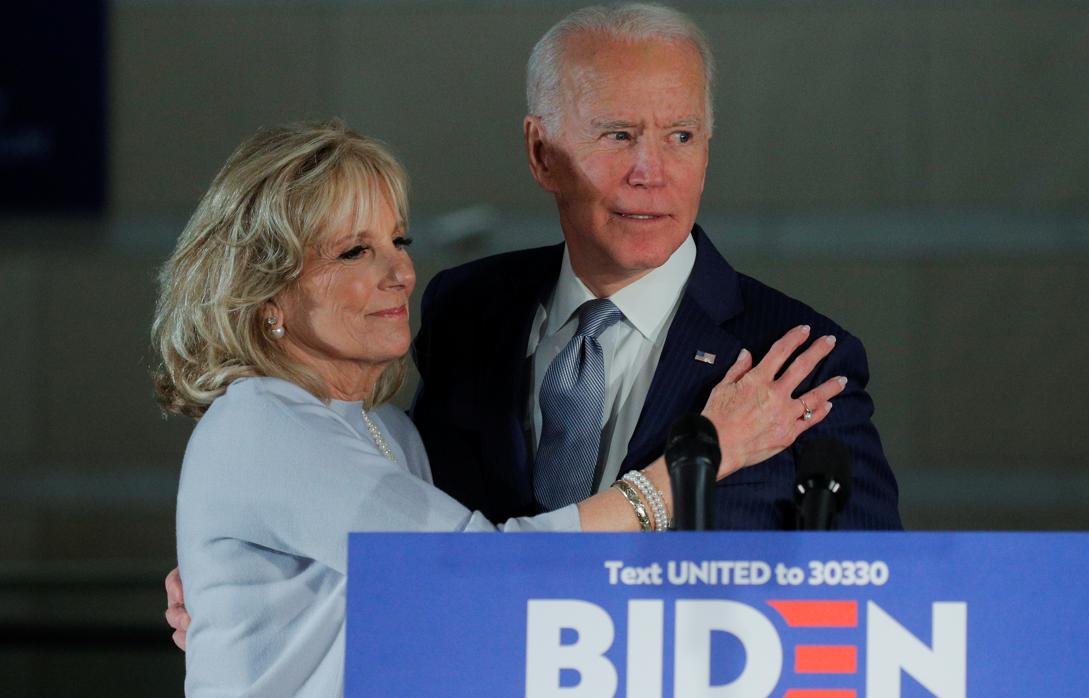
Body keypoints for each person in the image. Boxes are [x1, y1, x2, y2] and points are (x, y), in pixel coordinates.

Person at [153, 119, 847, 694]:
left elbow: (441, 607)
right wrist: (695, 464)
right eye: (354, 251)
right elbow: (483, 578)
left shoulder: (392, 431)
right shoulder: (262, 422)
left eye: (399, 240)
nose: (399, 271)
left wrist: (249, 601)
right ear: (267, 292)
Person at [411, 3, 903, 529]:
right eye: (619, 135)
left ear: (707, 154)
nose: (651, 173)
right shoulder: (463, 313)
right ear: (541, 152)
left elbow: (874, 591)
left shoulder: (800, 363)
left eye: (681, 137)